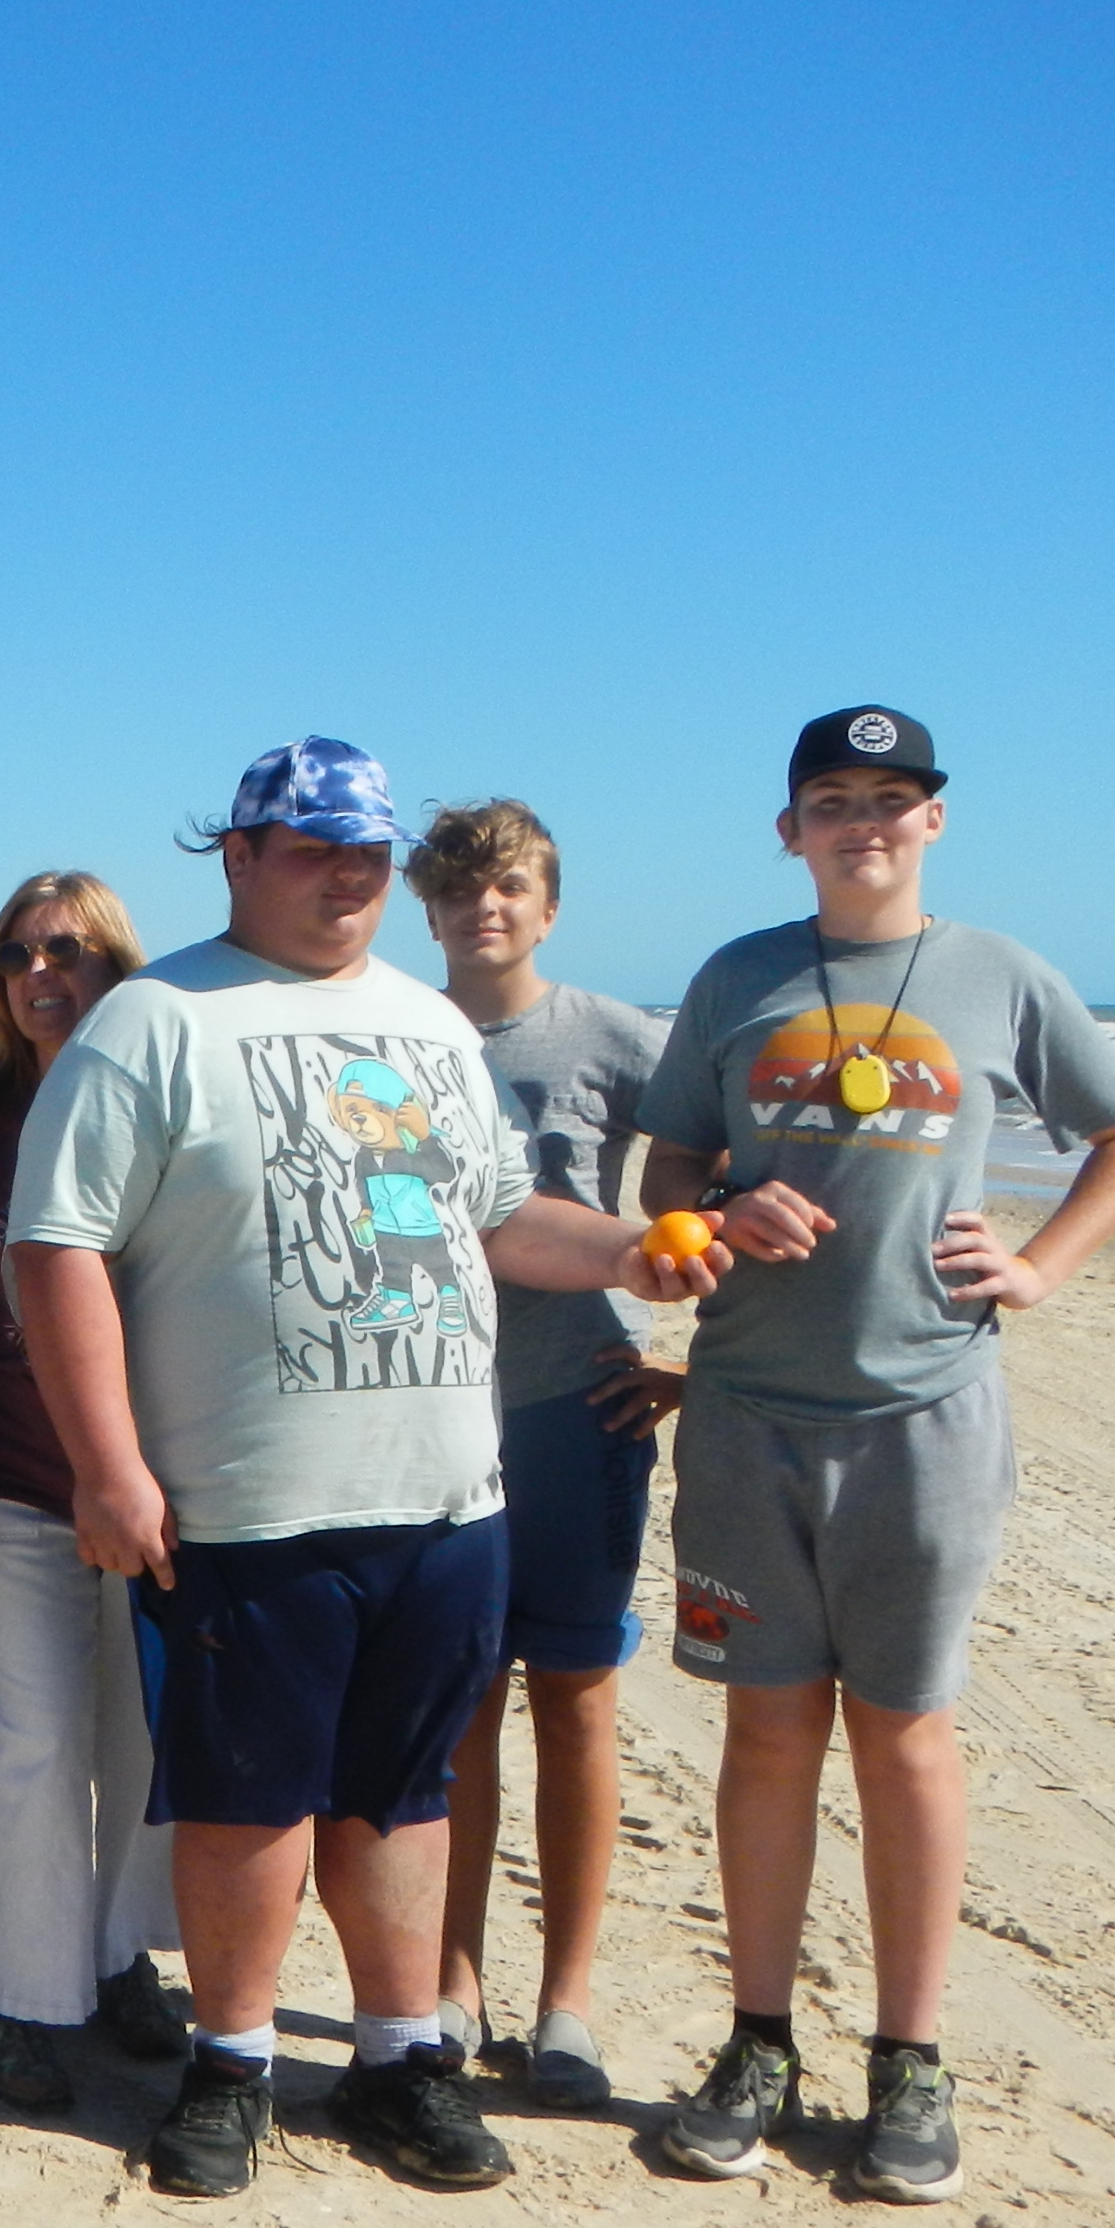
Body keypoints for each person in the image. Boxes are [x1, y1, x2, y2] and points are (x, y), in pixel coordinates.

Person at [8, 738, 720, 2203]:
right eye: (318, 847)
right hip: (249, 1498)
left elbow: (508, 1223)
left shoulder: (428, 1028)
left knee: (403, 1794)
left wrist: (641, 1254)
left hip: (447, 1498)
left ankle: (402, 2060)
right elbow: (55, 1245)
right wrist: (108, 1463)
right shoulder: (151, 1023)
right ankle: (235, 2064)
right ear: (242, 856)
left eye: (372, 854)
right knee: (246, 1800)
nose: (352, 875)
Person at [637, 708, 1115, 2201]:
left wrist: (1044, 1267)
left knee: (906, 1738)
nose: (862, 821)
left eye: (890, 798)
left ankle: (909, 2062)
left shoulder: (1001, 976)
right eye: (831, 799)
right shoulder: (738, 977)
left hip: (926, 1414)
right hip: (748, 1414)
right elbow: (671, 1161)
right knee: (765, 1735)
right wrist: (713, 1214)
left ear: (935, 819)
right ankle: (757, 2045)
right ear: (789, 829)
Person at [405, 803, 681, 2112]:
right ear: (428, 906)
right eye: (459, 889)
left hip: (583, 1408)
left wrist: (699, 1362)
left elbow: (735, 1175)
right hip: (437, 1410)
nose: (484, 909)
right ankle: (454, 1983)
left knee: (575, 1701)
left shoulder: (617, 1036)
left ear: (550, 903)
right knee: (457, 1705)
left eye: (508, 886)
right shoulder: (393, 1028)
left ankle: (565, 2002)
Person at [0, 870, 187, 2113]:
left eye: (66, 951)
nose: (38, 974)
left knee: (142, 1743)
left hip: (163, 1484)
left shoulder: (168, 1093)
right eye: (16, 953)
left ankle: (122, 1959)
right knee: (33, 1742)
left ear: (116, 966)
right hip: (15, 1478)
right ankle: (18, 2000)